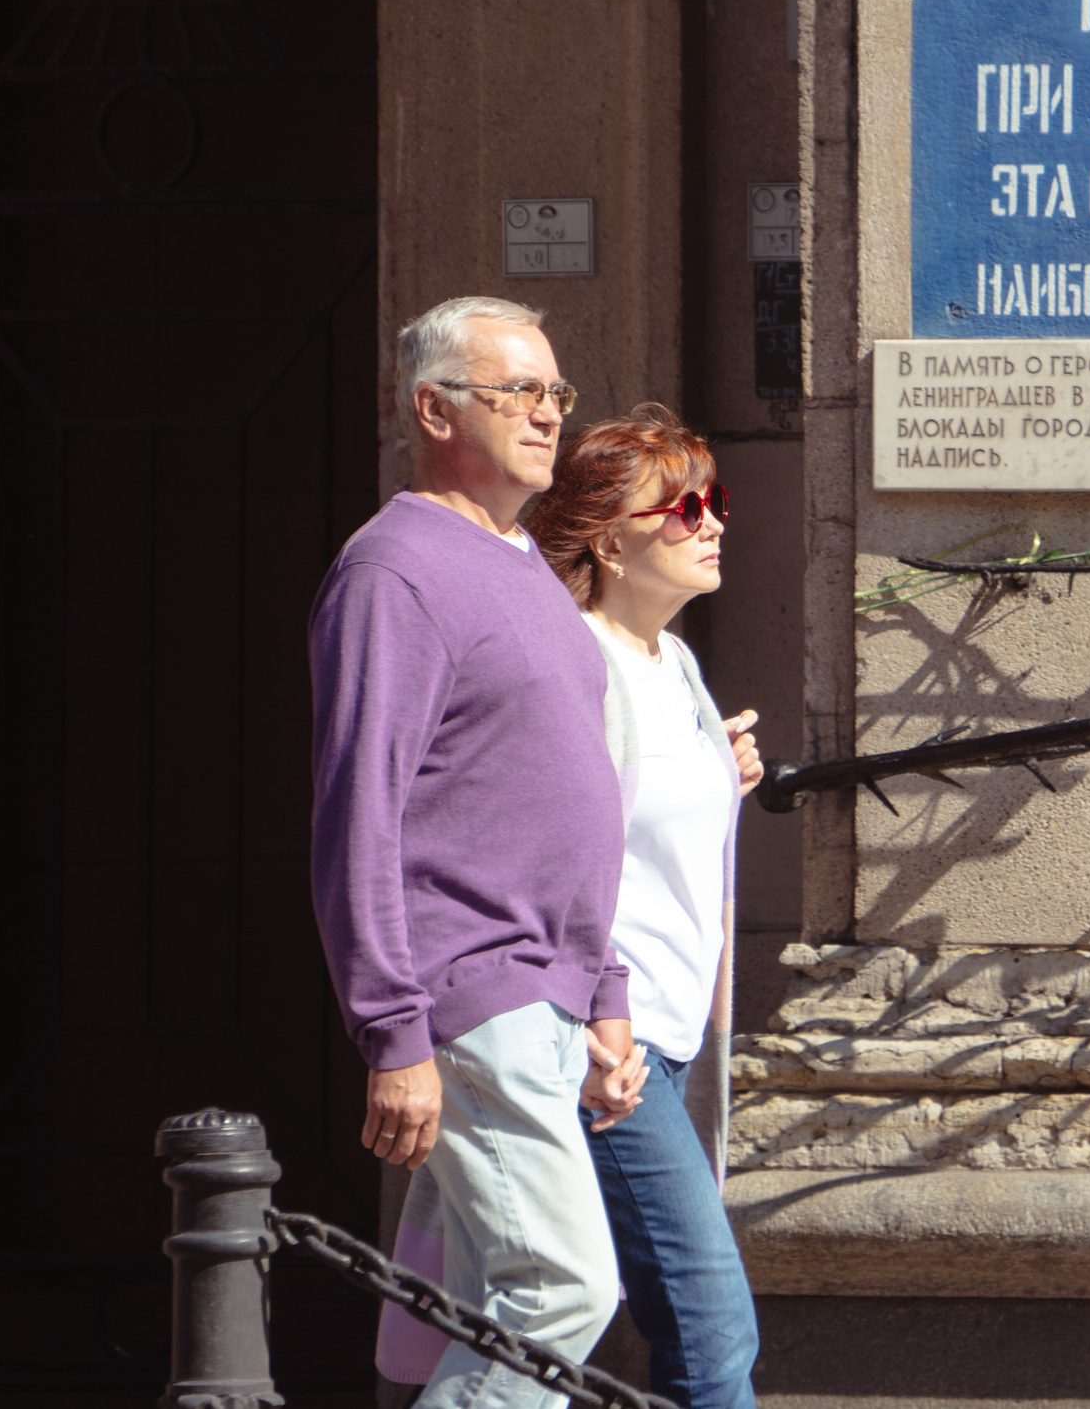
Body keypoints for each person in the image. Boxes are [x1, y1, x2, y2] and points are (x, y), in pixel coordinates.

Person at [309, 294, 637, 1409]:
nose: (549, 415)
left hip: (540, 994)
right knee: (556, 1291)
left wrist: (602, 992)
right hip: (469, 988)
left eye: (556, 392)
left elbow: (561, 800)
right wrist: (393, 1031)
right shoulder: (393, 570)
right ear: (434, 409)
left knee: (448, 1316)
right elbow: (362, 813)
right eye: (519, 393)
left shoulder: (522, 565)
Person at [522, 402, 764, 1409]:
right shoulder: (579, 666)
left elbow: (651, 813)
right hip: (608, 1046)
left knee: (666, 1320)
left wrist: (724, 772)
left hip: (666, 1035)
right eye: (682, 507)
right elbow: (545, 856)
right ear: (609, 542)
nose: (710, 522)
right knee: (708, 1327)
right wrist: (595, 1024)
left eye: (712, 500)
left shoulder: (678, 666)